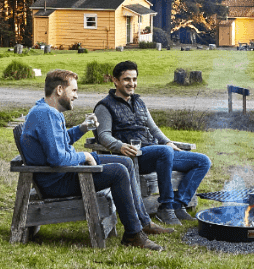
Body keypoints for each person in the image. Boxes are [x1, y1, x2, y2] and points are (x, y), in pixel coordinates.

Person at [19, 69, 172, 252]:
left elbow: (60, 142)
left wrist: (82, 128)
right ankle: (133, 233)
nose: (76, 96)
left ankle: (142, 221)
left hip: (65, 172)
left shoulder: (48, 111)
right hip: (58, 181)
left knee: (126, 162)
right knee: (118, 172)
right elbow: (57, 158)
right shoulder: (46, 115)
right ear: (59, 90)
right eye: (73, 91)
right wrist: (85, 155)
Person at [93, 60, 212, 226]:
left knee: (202, 161)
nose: (132, 84)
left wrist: (168, 141)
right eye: (127, 79)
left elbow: (154, 129)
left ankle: (179, 205)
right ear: (115, 80)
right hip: (135, 157)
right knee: (165, 152)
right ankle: (166, 208)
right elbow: (104, 135)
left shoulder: (139, 102)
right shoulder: (104, 106)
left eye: (134, 79)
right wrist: (120, 146)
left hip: (160, 153)